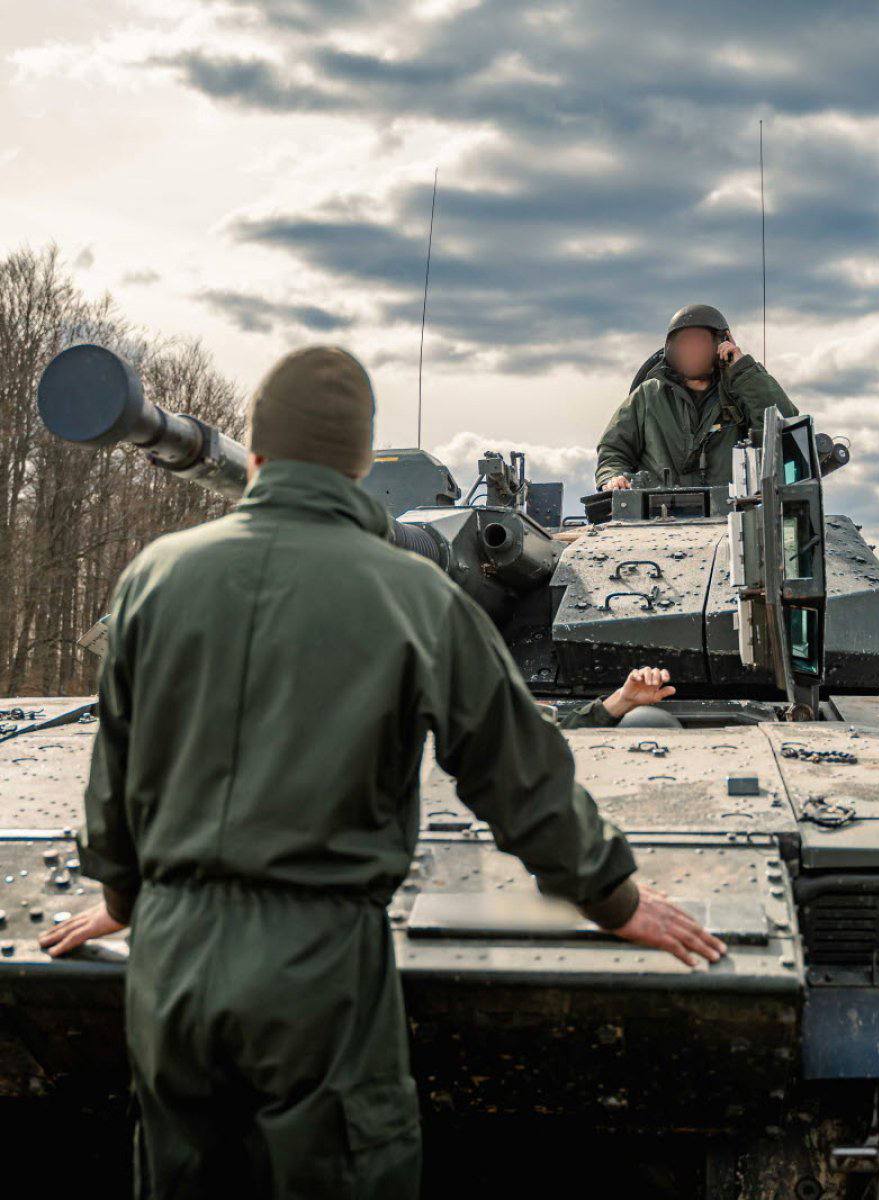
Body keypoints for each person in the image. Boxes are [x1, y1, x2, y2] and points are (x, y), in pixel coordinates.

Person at [40, 345, 724, 1199]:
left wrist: (119, 897)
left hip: (168, 962)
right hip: (315, 960)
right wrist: (613, 897)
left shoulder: (155, 577)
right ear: (363, 464)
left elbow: (117, 770)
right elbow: (520, 778)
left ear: (254, 453)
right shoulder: (414, 594)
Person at [596, 303, 798, 492]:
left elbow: (784, 431)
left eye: (699, 342)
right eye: (683, 343)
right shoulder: (648, 396)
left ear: (722, 343)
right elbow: (613, 450)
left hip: (732, 515)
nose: (690, 351)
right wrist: (613, 477)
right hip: (656, 517)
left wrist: (743, 371)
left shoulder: (741, 391)